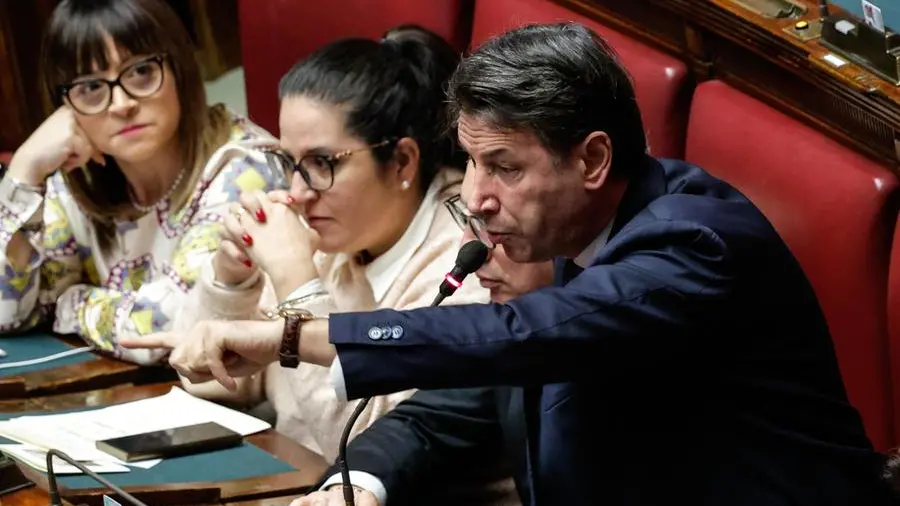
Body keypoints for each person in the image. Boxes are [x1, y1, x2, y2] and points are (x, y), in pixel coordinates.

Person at [123, 22, 892, 504]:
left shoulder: (692, 244)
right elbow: (444, 411)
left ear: (593, 159)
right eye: (471, 163)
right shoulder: (562, 248)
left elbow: (522, 336)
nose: (476, 198)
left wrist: (291, 334)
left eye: (505, 167)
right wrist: (357, 486)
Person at [171, 25, 490, 461]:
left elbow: (370, 455)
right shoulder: (334, 234)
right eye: (289, 162)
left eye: (322, 163)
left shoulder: (469, 263)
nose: (298, 192)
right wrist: (232, 277)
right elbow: (209, 378)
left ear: (402, 161)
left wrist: (296, 284)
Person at [0, 0, 285, 365]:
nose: (121, 104)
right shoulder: (75, 179)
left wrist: (69, 303)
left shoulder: (244, 167)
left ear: (179, 67)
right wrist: (24, 170)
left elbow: (173, 331)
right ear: (66, 105)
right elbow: (7, 312)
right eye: (91, 86)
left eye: (141, 71)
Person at [305, 242, 552, 506]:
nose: (471, 248)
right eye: (467, 222)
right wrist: (353, 487)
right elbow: (424, 423)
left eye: (494, 229)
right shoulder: (512, 335)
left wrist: (300, 299)